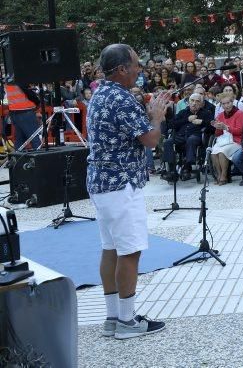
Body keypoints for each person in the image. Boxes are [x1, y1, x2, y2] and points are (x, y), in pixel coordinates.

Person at [86, 44, 171, 339]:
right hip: (121, 185)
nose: (139, 69)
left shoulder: (100, 93)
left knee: (110, 248)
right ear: (122, 69)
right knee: (130, 251)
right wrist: (157, 116)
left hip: (101, 182)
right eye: (136, 64)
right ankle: (126, 322)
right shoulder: (121, 99)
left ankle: (113, 317)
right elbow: (149, 140)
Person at [162, 92, 213, 181]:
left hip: (196, 137)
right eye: (192, 101)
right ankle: (172, 170)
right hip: (180, 136)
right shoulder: (183, 112)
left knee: (191, 139)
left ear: (201, 104)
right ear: (188, 102)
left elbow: (213, 127)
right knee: (168, 142)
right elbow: (171, 124)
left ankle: (187, 168)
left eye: (197, 101)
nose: (194, 103)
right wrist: (187, 119)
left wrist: (202, 122)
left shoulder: (206, 113)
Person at [208, 93, 243, 185]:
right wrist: (217, 127)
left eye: (228, 103)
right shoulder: (220, 115)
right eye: (223, 104)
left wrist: (226, 127)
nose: (226, 105)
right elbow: (217, 134)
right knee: (214, 152)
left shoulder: (240, 114)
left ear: (232, 102)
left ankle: (224, 176)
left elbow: (240, 131)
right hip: (223, 140)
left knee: (222, 152)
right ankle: (219, 174)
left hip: (236, 140)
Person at [4, 81, 41, 150]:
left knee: (20, 140)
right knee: (34, 138)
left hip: (14, 113)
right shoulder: (20, 78)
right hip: (25, 112)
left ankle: (17, 159)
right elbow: (30, 94)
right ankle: (41, 159)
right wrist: (38, 102)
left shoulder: (9, 79)